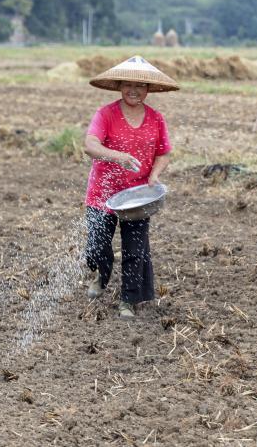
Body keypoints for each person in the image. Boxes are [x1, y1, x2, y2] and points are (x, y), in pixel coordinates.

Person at [83, 55, 178, 319]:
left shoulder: (156, 119)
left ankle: (128, 300)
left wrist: (154, 175)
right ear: (119, 86)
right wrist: (118, 156)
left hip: (137, 196)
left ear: (149, 90)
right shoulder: (106, 114)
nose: (134, 91)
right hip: (103, 194)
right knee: (96, 248)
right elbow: (90, 145)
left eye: (141, 86)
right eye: (128, 84)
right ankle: (102, 276)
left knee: (135, 250)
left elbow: (164, 153)